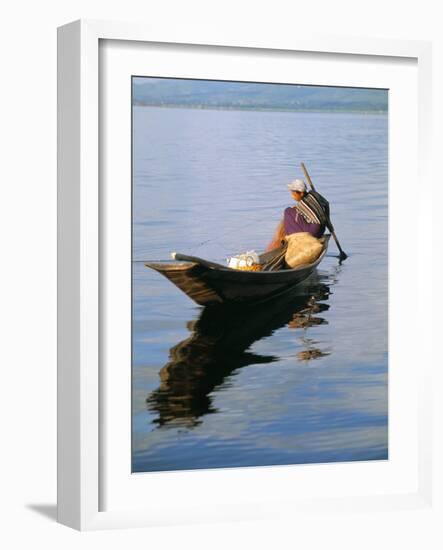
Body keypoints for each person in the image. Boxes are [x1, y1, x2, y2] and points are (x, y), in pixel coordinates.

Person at [266, 178, 327, 251]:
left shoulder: (301, 205)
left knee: (287, 212)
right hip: (322, 229)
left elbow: (294, 214)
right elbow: (326, 204)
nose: (292, 195)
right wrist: (327, 220)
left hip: (313, 232)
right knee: (291, 213)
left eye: (293, 193)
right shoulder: (313, 194)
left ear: (301, 193)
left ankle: (291, 239)